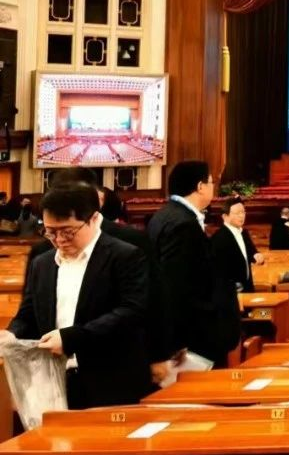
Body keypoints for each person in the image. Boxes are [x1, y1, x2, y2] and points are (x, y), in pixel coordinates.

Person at [3, 184, 152, 408]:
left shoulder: (125, 256)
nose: (59, 240)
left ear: (93, 219)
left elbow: (131, 312)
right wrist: (12, 334)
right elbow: (29, 313)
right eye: (50, 232)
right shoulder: (42, 263)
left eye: (68, 231)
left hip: (110, 382)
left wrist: (71, 338)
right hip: (55, 381)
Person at [149, 159, 239, 368]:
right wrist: (176, 341)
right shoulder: (182, 224)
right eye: (211, 182)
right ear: (200, 186)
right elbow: (175, 285)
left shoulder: (165, 215)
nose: (212, 187)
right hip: (194, 341)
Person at [210, 197, 261, 293]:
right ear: (225, 216)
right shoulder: (219, 238)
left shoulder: (244, 232)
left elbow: (250, 251)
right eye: (237, 213)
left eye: (243, 212)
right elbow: (218, 269)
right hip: (231, 291)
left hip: (247, 287)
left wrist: (256, 255)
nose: (242, 216)